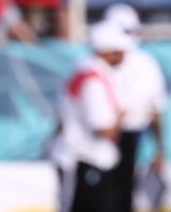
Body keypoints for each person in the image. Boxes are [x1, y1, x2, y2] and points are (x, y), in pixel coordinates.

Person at [50, 21, 130, 212]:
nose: (124, 56)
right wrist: (122, 118)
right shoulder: (92, 79)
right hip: (83, 160)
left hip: (88, 160)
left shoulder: (91, 71)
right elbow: (102, 127)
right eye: (120, 51)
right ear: (107, 51)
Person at [103, 3, 168, 212]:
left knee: (127, 195)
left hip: (132, 139)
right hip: (102, 138)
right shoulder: (98, 62)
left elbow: (156, 111)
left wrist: (159, 151)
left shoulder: (146, 63)